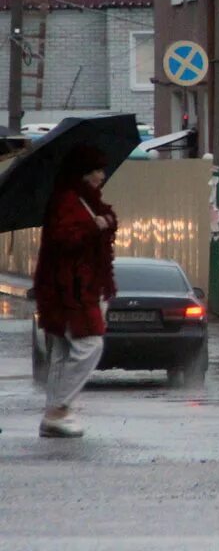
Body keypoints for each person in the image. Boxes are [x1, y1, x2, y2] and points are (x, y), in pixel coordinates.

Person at [32, 146, 118, 438]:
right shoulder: (68, 201)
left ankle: (53, 415)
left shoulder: (83, 200)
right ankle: (59, 408)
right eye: (96, 170)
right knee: (90, 345)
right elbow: (65, 239)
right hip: (72, 289)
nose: (101, 176)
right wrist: (94, 227)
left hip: (72, 287)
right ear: (82, 172)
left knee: (61, 352)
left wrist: (102, 222)